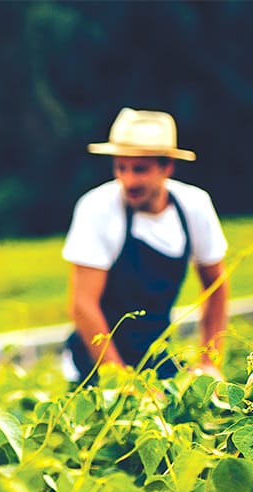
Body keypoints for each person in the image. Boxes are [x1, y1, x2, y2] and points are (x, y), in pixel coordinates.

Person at [62, 107, 229, 384]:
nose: (128, 180)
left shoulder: (194, 206)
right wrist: (120, 380)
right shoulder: (97, 208)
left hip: (156, 353)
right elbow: (83, 305)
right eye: (121, 168)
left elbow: (216, 287)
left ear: (167, 167)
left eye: (140, 169)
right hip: (94, 358)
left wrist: (209, 362)